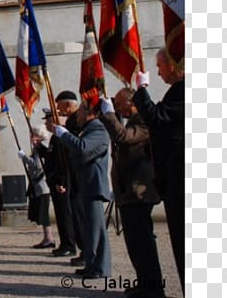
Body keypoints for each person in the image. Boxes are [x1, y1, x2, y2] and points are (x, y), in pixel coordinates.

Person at [100, 88, 164, 296]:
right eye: (115, 105)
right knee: (135, 244)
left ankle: (153, 288)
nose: (117, 108)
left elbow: (124, 137)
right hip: (128, 192)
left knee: (143, 243)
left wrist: (110, 114)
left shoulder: (143, 122)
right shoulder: (132, 121)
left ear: (131, 102)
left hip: (139, 191)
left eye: (119, 104)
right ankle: (144, 282)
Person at [133, 47, 184, 287]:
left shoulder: (183, 91)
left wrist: (142, 90)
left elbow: (156, 118)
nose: (157, 71)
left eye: (160, 65)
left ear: (173, 65)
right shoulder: (176, 91)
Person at [48, 100, 112, 279]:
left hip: (93, 186)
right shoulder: (88, 129)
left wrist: (64, 134)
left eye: (82, 110)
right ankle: (91, 264)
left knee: (96, 230)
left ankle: (101, 268)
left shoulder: (98, 129)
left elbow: (82, 149)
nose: (79, 114)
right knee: (88, 230)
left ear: (90, 112)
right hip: (83, 185)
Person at [42, 91, 85, 264]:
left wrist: (61, 181)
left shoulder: (68, 131)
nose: (48, 123)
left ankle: (71, 245)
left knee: (71, 216)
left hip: (67, 181)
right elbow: (53, 158)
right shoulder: (57, 136)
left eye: (58, 108)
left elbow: (64, 161)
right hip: (60, 180)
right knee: (64, 215)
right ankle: (70, 245)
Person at [19, 129, 54, 250]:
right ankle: (46, 238)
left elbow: (37, 165)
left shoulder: (40, 150)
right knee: (42, 214)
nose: (31, 137)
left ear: (39, 138)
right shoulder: (37, 149)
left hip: (42, 186)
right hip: (38, 186)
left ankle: (49, 238)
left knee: (44, 214)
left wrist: (24, 158)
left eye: (34, 136)